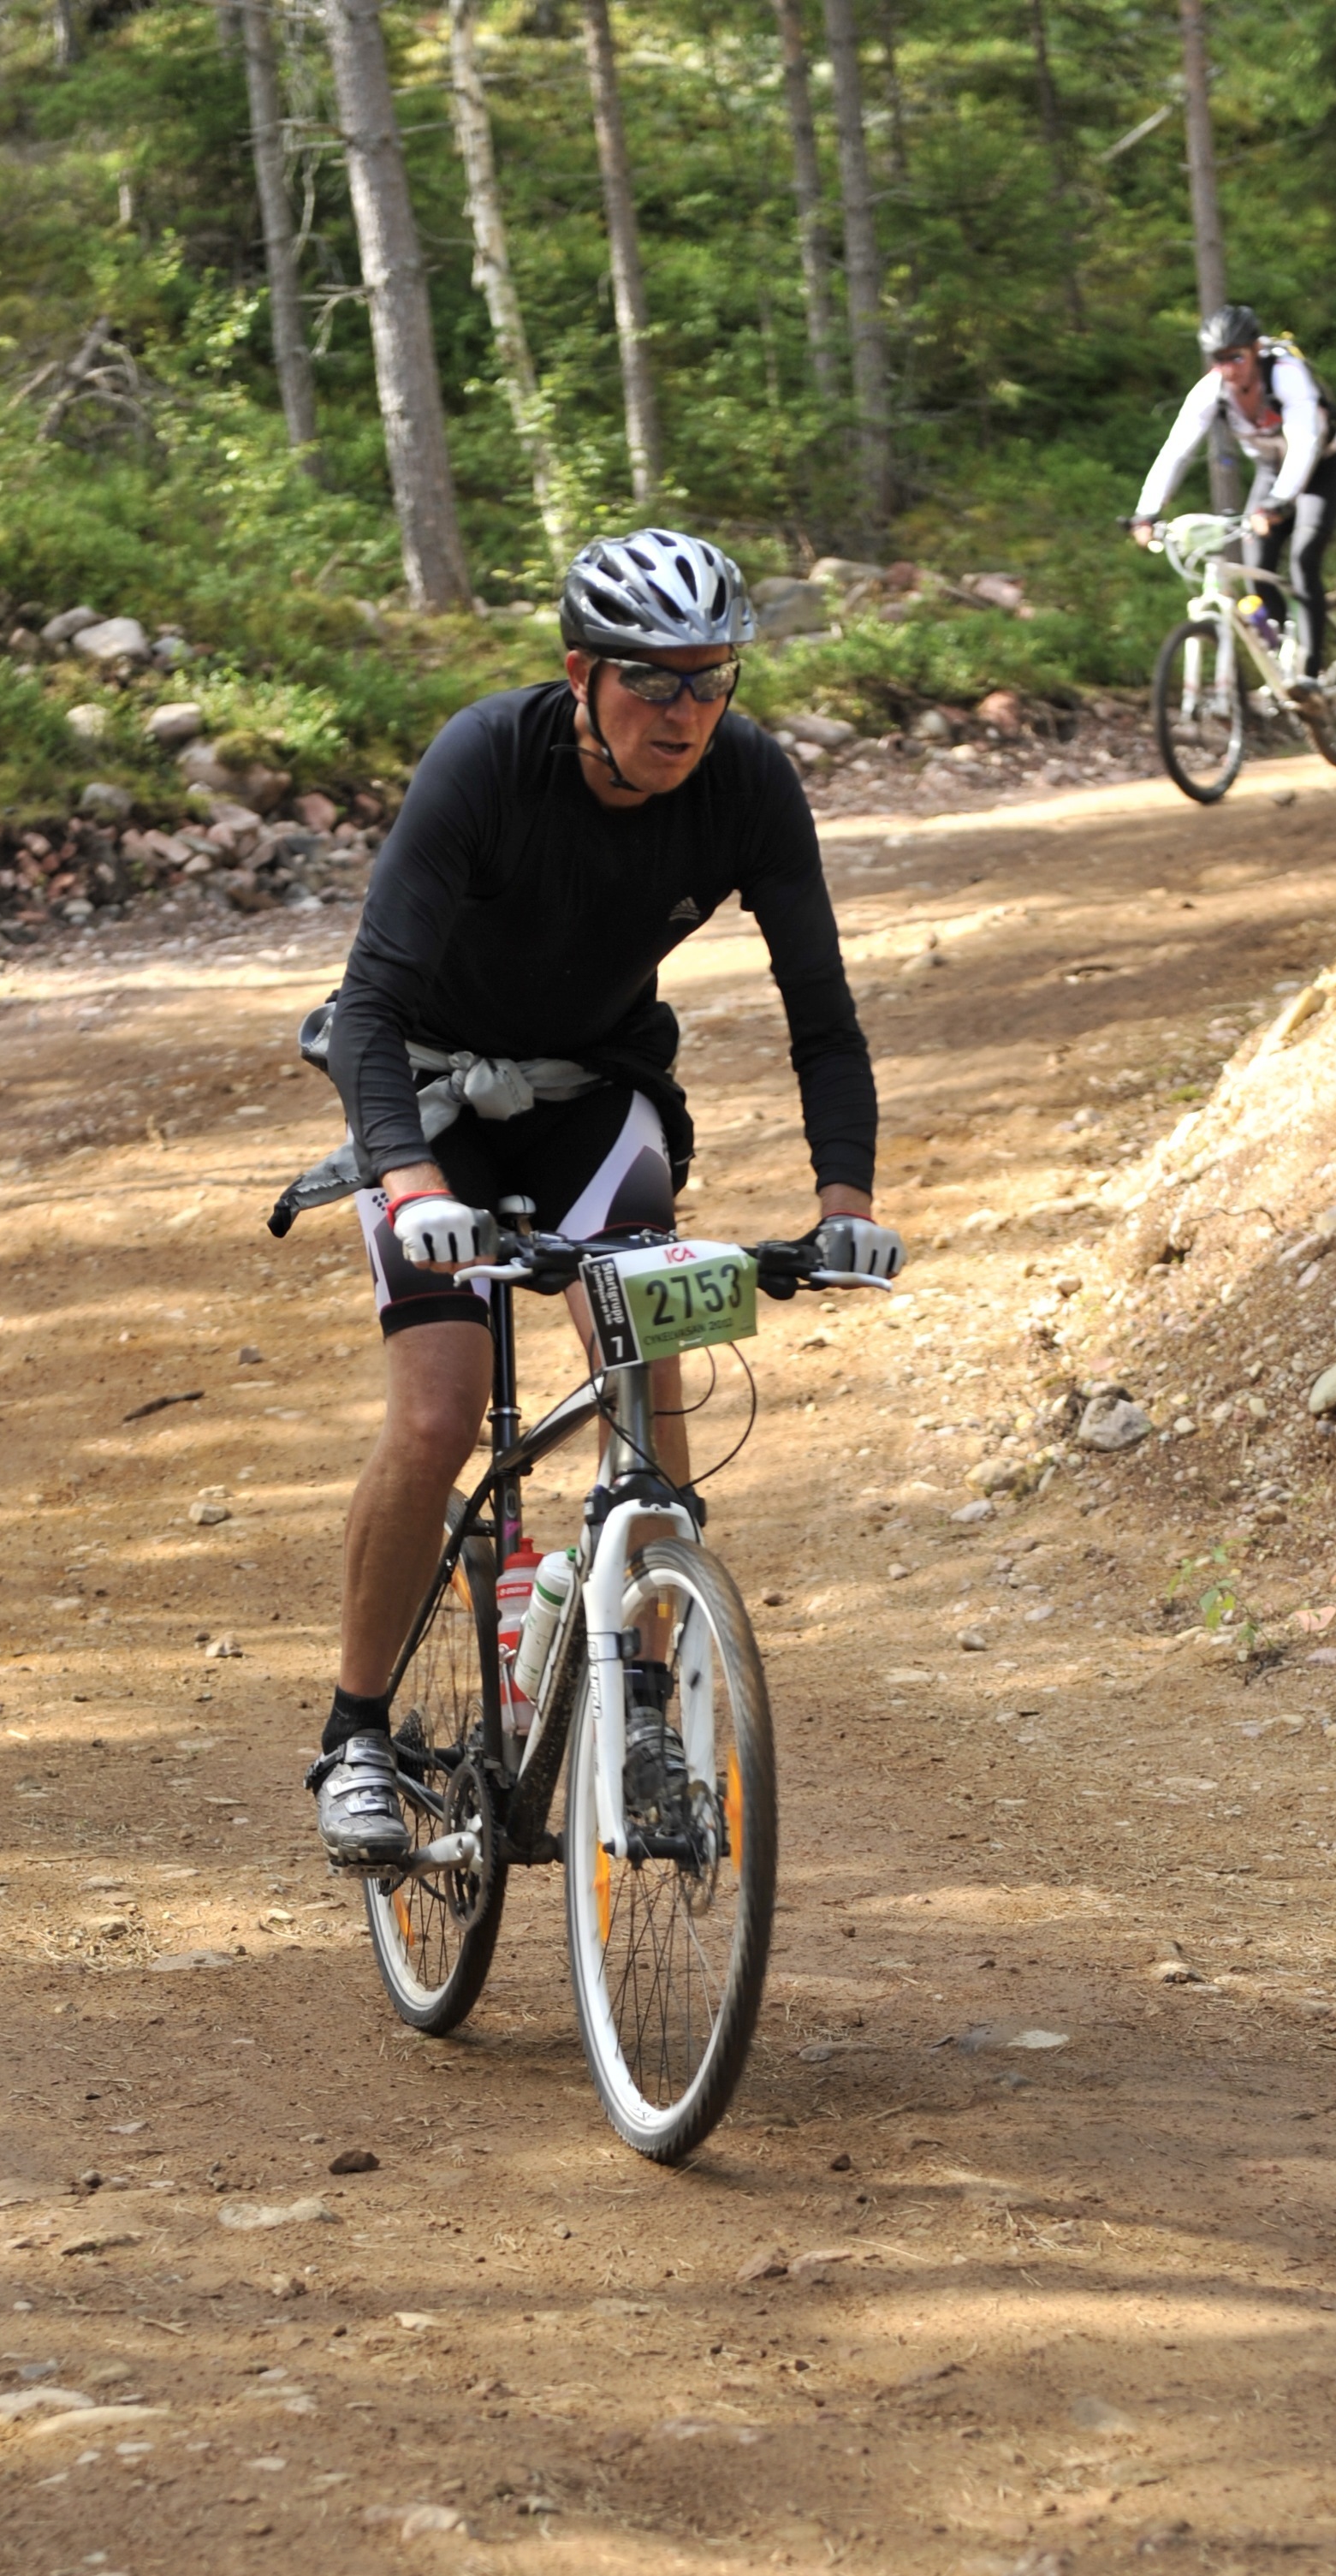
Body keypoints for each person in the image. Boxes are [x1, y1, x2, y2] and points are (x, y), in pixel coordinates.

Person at [288, 525, 886, 1872]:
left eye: (712, 680)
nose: (686, 713)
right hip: (431, 1103)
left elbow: (822, 1012)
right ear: (580, 675)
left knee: (647, 1382)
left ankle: (650, 1717)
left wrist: (844, 1199)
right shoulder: (487, 760)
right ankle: (358, 1733)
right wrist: (409, 1184)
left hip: (597, 1099)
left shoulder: (747, 781)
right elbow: (368, 1005)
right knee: (439, 1412)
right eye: (653, 681)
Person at [1131, 303, 1336, 687]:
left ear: (1256, 350)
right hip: (1271, 472)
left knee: (1303, 559)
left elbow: (1305, 444)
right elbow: (1176, 451)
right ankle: (1283, 662)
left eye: (1236, 357)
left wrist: (1279, 502)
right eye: (1219, 359)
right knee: (1256, 566)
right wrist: (1146, 511)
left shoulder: (1286, 375)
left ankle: (1310, 673)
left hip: (1319, 470)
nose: (1229, 368)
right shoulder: (1211, 390)